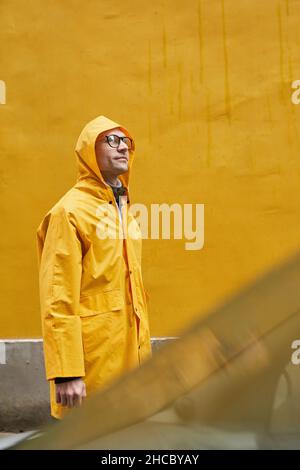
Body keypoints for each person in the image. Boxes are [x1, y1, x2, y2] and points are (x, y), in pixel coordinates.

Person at [36, 115, 152, 419]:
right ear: (89, 151)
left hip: (131, 352)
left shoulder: (123, 209)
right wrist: (66, 371)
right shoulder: (69, 213)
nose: (123, 148)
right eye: (111, 140)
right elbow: (57, 294)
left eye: (126, 141)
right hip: (93, 359)